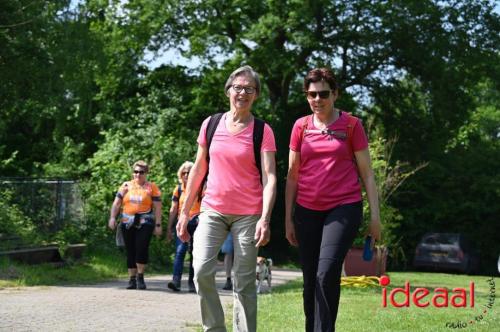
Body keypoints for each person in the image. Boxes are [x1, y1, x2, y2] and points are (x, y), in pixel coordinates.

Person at [177, 65, 277, 332]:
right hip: (212, 209)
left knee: (243, 282)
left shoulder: (262, 131)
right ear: (228, 91)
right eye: (238, 87)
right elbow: (198, 169)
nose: (242, 93)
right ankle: (215, 329)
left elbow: (270, 177)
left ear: (255, 95)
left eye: (249, 89)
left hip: (248, 214)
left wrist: (265, 219)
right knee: (200, 270)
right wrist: (185, 211)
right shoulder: (210, 124)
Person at [285, 68, 382, 331]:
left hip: (343, 207)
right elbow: (292, 176)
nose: (317, 99)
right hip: (306, 209)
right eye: (312, 94)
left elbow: (368, 175)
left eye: (323, 94)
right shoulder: (300, 127)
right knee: (309, 281)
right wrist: (288, 220)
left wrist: (375, 217)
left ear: (335, 94)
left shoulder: (351, 125)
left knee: (325, 274)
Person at [108, 160, 163, 290]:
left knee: (141, 247)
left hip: (146, 221)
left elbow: (158, 207)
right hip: (127, 221)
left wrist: (158, 224)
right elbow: (116, 203)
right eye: (136, 172)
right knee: (130, 249)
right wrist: (112, 218)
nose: (138, 174)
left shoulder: (151, 187)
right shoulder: (126, 185)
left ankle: (140, 277)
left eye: (141, 172)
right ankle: (132, 279)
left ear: (146, 173)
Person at [166, 161, 201, 293]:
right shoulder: (178, 189)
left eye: (189, 172)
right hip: (182, 222)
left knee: (195, 253)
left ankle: (192, 282)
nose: (186, 174)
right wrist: (169, 227)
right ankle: (176, 281)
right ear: (180, 174)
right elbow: (173, 209)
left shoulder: (200, 187)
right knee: (180, 251)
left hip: (197, 222)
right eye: (184, 172)